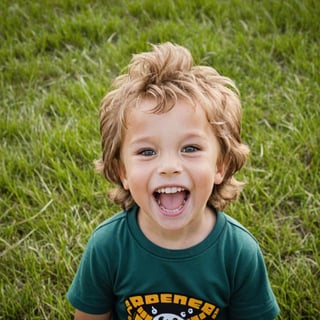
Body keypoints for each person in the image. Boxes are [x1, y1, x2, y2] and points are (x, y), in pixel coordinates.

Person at [67, 42, 280, 320]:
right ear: (123, 172)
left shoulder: (239, 253)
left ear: (220, 165)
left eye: (190, 148)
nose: (168, 167)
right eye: (147, 151)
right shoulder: (107, 247)